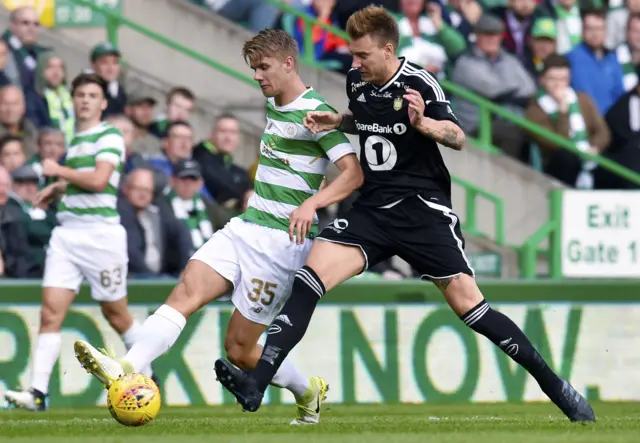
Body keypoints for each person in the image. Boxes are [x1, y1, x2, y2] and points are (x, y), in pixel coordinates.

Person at [212, 6, 596, 423]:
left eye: (362, 56)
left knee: (473, 310)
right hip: (373, 210)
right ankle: (257, 383)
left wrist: (425, 125)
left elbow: (457, 136)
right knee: (309, 279)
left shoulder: (419, 82)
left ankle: (556, 387)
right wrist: (339, 119)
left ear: (388, 48)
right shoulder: (358, 81)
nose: (354, 64)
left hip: (421, 211)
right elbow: (370, 119)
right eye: (354, 57)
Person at [72, 29, 363, 425]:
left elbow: (353, 174)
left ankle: (307, 391)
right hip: (245, 227)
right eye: (253, 69)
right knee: (186, 291)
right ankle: (125, 366)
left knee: (240, 350)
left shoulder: (315, 112)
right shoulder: (276, 103)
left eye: (264, 67)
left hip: (280, 244)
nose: (258, 76)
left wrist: (313, 202)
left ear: (289, 63)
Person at [3, 73, 151, 411]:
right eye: (80, 94)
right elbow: (86, 179)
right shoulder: (78, 138)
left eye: (92, 95)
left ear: (102, 102)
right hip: (67, 233)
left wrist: (59, 172)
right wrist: (60, 188)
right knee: (50, 312)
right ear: (74, 100)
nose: (85, 100)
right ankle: (38, 393)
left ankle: (149, 375)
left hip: (100, 236)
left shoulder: (110, 135)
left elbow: (100, 180)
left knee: (117, 313)